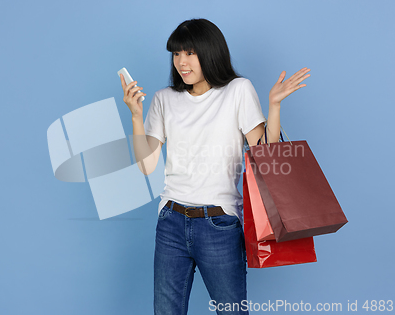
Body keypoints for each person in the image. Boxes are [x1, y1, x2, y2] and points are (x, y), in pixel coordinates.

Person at [120, 18, 310, 315]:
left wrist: (274, 106)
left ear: (210, 52)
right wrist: (135, 116)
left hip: (219, 224)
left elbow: (265, 155)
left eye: (190, 53)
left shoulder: (238, 91)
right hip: (171, 221)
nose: (182, 62)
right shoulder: (163, 99)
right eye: (176, 54)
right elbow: (147, 166)